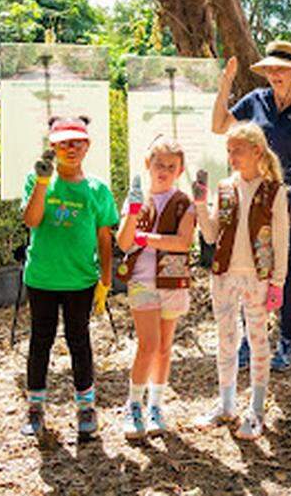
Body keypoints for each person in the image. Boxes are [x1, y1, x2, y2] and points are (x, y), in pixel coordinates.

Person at [212, 41, 291, 371]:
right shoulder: (255, 101)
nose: (275, 74)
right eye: (270, 69)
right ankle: (251, 337)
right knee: (250, 266)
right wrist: (225, 86)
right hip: (253, 197)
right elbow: (219, 126)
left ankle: (287, 339)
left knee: (287, 269)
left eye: (281, 68)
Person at [19, 116, 118, 440]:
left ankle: (86, 407)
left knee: (79, 341)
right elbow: (31, 221)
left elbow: (105, 237)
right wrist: (42, 184)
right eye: (63, 142)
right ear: (53, 147)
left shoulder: (97, 189)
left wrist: (105, 279)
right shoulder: (37, 181)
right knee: (40, 341)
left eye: (77, 142)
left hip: (80, 281)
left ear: (87, 145)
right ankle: (35, 408)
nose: (70, 148)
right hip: (43, 278)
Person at [193, 122, 290, 440]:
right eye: (229, 150)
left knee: (259, 341)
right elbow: (210, 235)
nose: (231, 155)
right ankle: (226, 404)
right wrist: (199, 205)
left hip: (258, 278)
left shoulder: (273, 192)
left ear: (257, 151)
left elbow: (281, 240)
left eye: (237, 150)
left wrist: (278, 281)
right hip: (224, 276)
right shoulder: (224, 188)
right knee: (225, 341)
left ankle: (257, 408)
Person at [114, 138, 196, 440]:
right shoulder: (136, 198)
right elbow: (124, 242)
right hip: (142, 280)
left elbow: (182, 242)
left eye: (171, 166)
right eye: (159, 164)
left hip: (172, 279)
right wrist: (134, 212)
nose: (164, 170)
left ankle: (155, 406)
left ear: (180, 170)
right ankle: (133, 404)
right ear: (147, 164)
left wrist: (145, 238)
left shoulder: (185, 202)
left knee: (164, 346)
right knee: (148, 343)